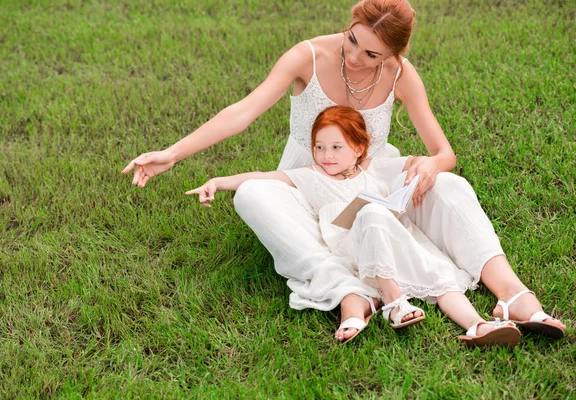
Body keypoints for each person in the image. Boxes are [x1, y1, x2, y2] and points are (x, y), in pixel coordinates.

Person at [122, 0, 565, 342]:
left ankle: (513, 296)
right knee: (252, 195)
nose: (354, 56)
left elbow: (442, 151)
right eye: (352, 40)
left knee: (449, 184)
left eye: (372, 53)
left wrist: (431, 164)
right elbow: (243, 111)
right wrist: (173, 153)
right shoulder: (307, 56)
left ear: (393, 55)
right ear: (350, 23)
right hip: (307, 179)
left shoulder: (400, 74)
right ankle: (354, 293)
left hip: (372, 175)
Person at [186, 105, 522, 347]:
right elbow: (263, 177)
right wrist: (218, 181)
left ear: (358, 148)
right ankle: (394, 303)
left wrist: (426, 170)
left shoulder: (373, 170)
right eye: (319, 147)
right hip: (353, 247)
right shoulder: (312, 177)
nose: (325, 156)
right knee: (371, 214)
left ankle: (478, 326)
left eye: (336, 148)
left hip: (394, 239)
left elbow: (421, 164)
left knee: (438, 278)